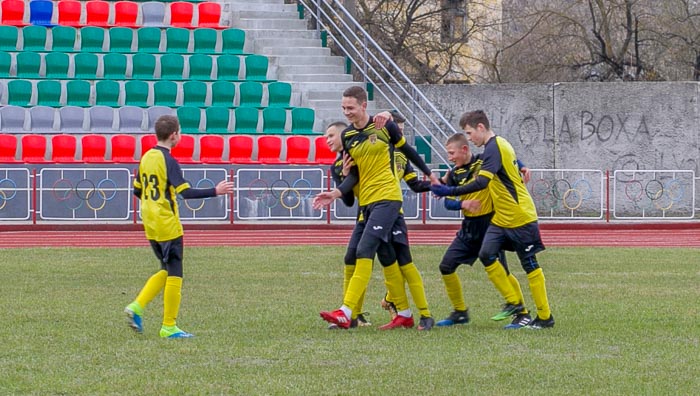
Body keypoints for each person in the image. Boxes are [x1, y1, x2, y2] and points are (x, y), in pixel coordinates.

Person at [314, 86, 439, 330]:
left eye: (350, 107)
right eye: (343, 108)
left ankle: (347, 312)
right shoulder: (349, 137)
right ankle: (402, 313)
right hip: (367, 205)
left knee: (369, 251)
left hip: (388, 199)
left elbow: (407, 150)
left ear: (363, 105)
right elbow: (355, 177)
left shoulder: (383, 126)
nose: (347, 112)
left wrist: (429, 174)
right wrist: (336, 192)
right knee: (385, 257)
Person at [431, 110, 554, 329]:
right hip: (501, 219)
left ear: (480, 127)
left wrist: (449, 190)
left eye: (470, 133)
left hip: (520, 215)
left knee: (529, 265)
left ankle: (544, 317)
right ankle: (514, 303)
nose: (469, 138)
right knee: (486, 254)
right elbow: (511, 163)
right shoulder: (496, 146)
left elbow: (481, 183)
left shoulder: (493, 148)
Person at [124, 115, 234, 338]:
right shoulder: (169, 161)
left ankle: (137, 306)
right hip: (167, 222)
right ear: (174, 135)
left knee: (165, 269)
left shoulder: (146, 157)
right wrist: (215, 191)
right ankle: (168, 326)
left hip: (150, 222)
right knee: (175, 272)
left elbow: (137, 190)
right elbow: (185, 192)